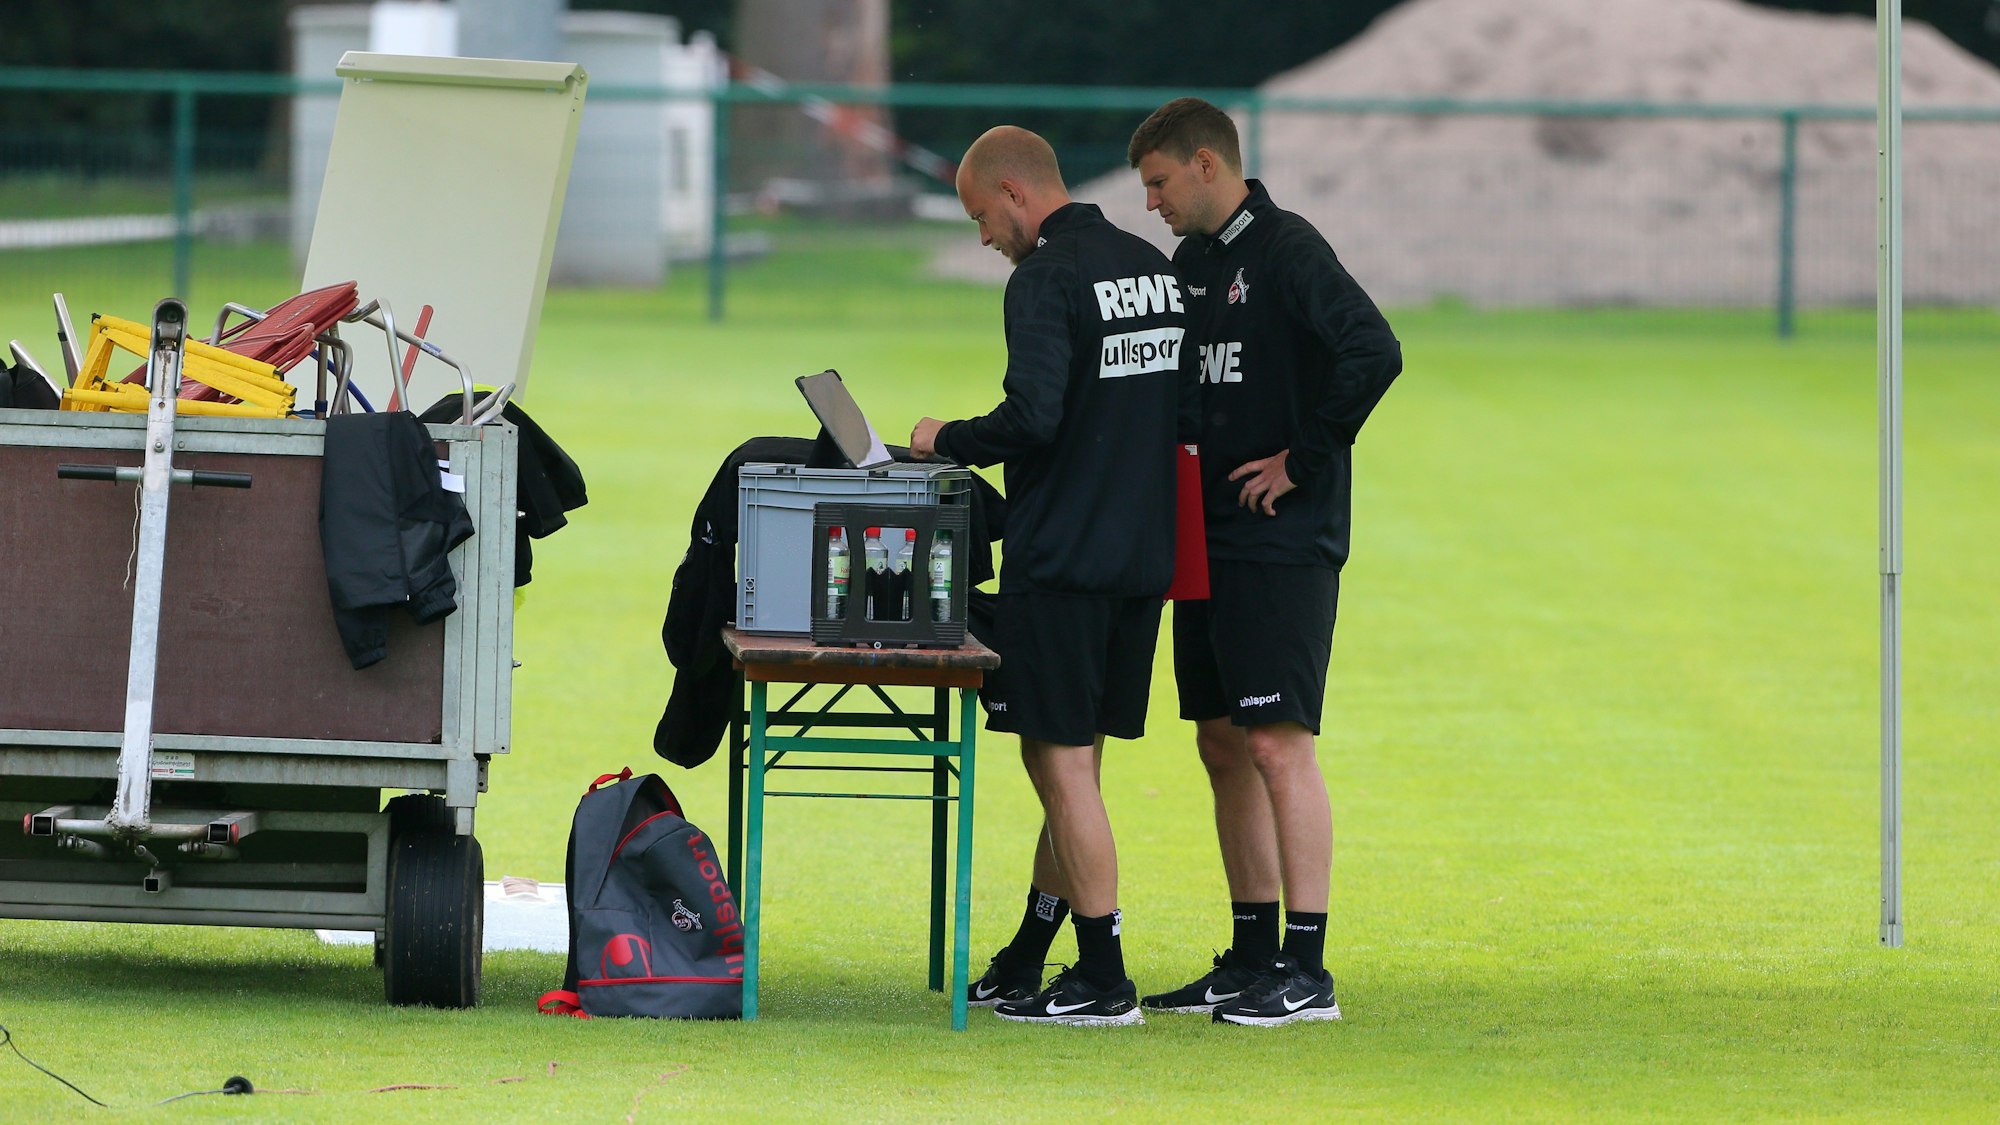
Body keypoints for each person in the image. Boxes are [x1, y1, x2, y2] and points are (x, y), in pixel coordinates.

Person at [1125, 97, 1402, 1026]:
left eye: (1159, 182)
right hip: (1206, 539)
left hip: (1281, 539)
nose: (1152, 201)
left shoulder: (1287, 248)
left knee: (1279, 742)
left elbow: (1374, 350)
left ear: (1207, 164)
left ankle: (1308, 968)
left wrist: (1303, 458)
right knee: (1219, 741)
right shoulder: (1194, 263)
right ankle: (1249, 955)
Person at [910, 125, 1184, 1026]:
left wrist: (942, 440)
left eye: (983, 217)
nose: (985, 237)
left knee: (1057, 761)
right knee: (1078, 763)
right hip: (1144, 554)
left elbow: (1032, 418)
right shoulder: (1150, 265)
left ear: (1016, 194)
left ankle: (1103, 976)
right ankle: (1031, 954)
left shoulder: (1046, 278)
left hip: (1064, 557)